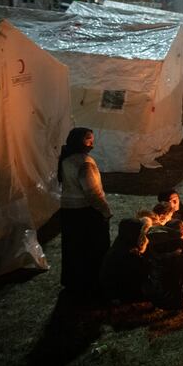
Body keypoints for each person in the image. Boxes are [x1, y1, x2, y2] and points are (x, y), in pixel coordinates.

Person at [57, 127, 112, 297]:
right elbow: (92, 193)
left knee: (73, 248)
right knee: (92, 248)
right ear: (79, 140)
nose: (92, 143)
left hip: (69, 212)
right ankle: (92, 282)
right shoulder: (85, 163)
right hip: (86, 213)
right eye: (88, 139)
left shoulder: (66, 160)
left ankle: (73, 281)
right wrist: (105, 211)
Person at [144, 219, 183, 309]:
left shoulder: (151, 245)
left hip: (151, 295)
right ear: (179, 234)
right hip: (171, 300)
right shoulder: (180, 252)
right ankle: (180, 302)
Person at [100, 218, 149, 302]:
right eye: (139, 232)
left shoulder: (120, 243)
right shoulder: (128, 253)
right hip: (122, 292)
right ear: (133, 233)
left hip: (113, 289)